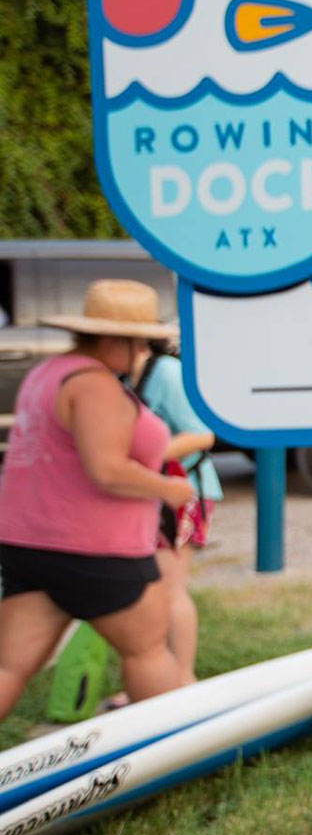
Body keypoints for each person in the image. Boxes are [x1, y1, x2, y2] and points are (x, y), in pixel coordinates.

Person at [0, 280, 193, 721]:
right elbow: (106, 469)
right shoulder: (94, 386)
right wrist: (171, 490)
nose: (143, 354)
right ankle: (164, 752)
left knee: (9, 666)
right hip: (99, 550)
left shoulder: (46, 374)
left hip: (29, 544)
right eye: (140, 344)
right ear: (113, 340)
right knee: (148, 650)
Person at [134, 338, 221, 682]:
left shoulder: (166, 373)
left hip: (183, 493)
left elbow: (202, 434)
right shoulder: (122, 377)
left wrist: (144, 456)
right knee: (152, 591)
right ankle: (159, 679)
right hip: (150, 493)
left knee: (170, 589)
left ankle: (183, 680)